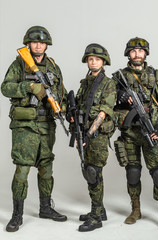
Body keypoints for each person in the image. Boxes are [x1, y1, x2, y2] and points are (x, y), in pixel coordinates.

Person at [1, 26, 68, 232]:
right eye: (34, 42)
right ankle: (17, 214)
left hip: (47, 125)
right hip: (25, 126)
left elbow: (61, 93)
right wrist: (29, 87)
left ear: (47, 45)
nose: (38, 45)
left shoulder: (53, 67)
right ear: (28, 44)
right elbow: (5, 88)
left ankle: (46, 208)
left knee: (46, 167)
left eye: (42, 42)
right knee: (22, 168)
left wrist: (61, 108)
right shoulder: (19, 64)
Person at [114, 37, 158, 232]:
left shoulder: (155, 75)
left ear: (145, 53)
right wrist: (120, 97)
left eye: (141, 51)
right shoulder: (119, 76)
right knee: (133, 172)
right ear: (128, 54)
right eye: (133, 51)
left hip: (151, 130)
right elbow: (107, 101)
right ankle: (136, 210)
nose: (137, 54)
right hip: (129, 132)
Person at [70, 43, 116, 232]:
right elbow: (79, 106)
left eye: (97, 59)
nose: (94, 62)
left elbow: (104, 112)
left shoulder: (108, 83)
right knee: (90, 171)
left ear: (103, 62)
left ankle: (96, 218)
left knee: (93, 172)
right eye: (91, 59)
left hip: (96, 135)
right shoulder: (85, 83)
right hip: (83, 131)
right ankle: (100, 210)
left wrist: (89, 134)